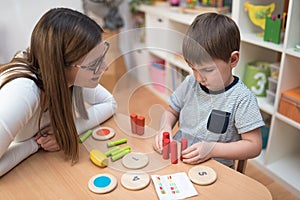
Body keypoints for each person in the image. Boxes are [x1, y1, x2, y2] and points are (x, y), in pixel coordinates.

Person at [0, 8, 117, 176]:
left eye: (102, 56)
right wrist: (34, 145)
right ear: (61, 65)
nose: (105, 67)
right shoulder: (23, 92)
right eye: (95, 62)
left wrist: (65, 132)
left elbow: (110, 103)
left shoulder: (66, 76)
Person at [154, 13, 264, 168]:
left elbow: (254, 145)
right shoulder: (190, 82)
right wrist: (165, 128)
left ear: (233, 60)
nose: (199, 78)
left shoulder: (242, 98)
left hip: (215, 169)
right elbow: (171, 111)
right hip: (179, 160)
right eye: (193, 69)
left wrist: (212, 149)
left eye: (207, 70)